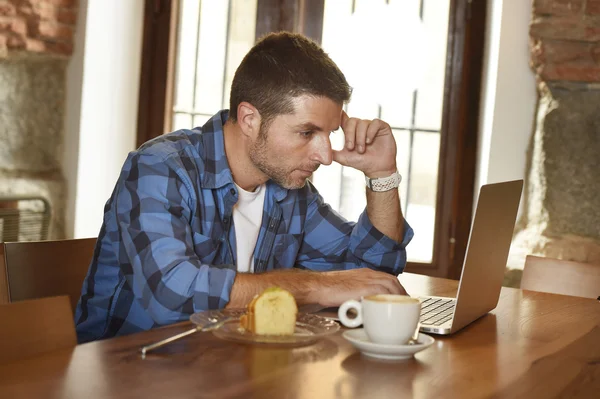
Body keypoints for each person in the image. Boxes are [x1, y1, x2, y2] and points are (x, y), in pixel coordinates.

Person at [75, 32, 413, 343]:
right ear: (250, 119)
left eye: (330, 134)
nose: (325, 155)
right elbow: (171, 294)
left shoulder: (290, 190)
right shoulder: (160, 167)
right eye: (307, 133)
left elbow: (372, 276)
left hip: (227, 367)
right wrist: (316, 287)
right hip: (127, 370)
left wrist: (382, 175)